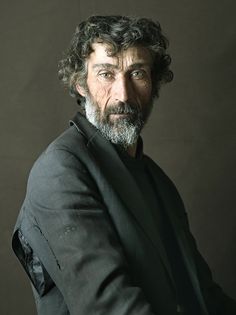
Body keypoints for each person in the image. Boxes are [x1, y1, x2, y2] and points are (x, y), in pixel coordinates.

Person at [12, 15, 236, 315]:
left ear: (153, 83)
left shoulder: (158, 181)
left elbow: (203, 295)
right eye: (106, 74)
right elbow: (110, 306)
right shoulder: (61, 171)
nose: (123, 95)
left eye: (137, 73)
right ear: (81, 84)